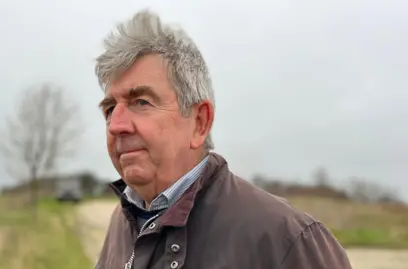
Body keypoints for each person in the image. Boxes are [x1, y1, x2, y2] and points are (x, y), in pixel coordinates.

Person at [94, 9, 352, 269]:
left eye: (141, 102)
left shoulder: (287, 240)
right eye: (110, 109)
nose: (116, 125)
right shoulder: (125, 220)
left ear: (199, 122)